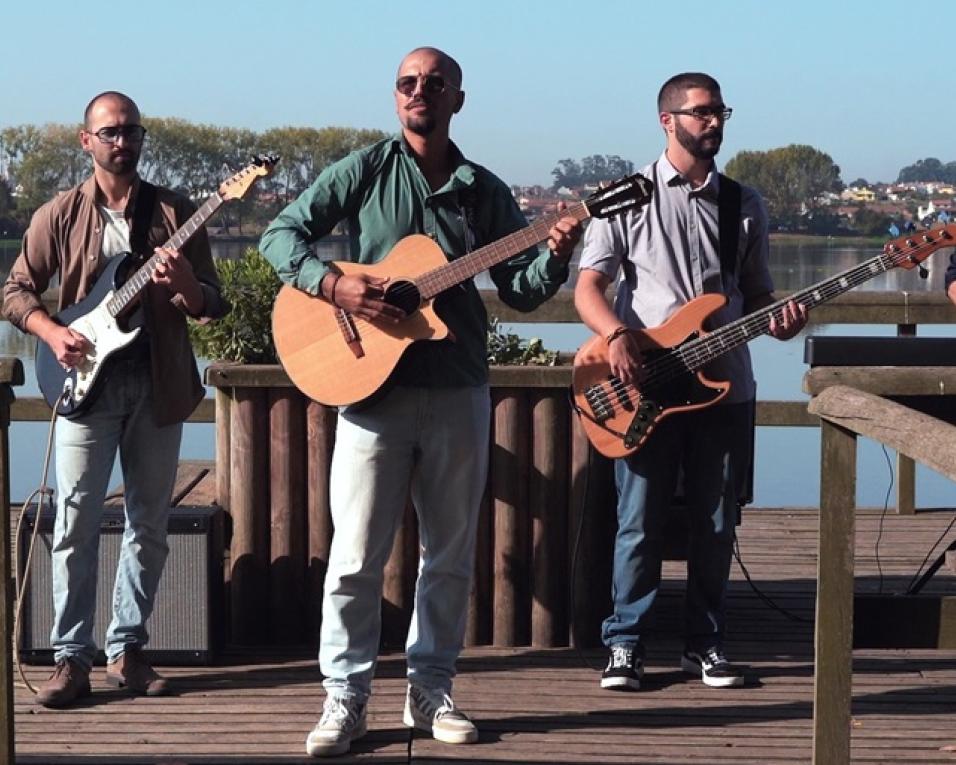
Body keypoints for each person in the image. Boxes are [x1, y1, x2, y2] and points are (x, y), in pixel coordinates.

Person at [260, 47, 581, 757]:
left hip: (459, 386)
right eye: (407, 83)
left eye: (435, 84)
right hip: (371, 389)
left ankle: (430, 690)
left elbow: (524, 290)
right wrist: (334, 285)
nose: (419, 93)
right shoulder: (365, 170)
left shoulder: (483, 190)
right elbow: (279, 234)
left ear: (457, 100)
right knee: (353, 557)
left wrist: (557, 250)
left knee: (449, 553)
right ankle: (344, 698)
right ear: (395, 96)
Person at [574, 72, 807, 692]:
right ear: (667, 120)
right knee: (639, 519)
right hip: (643, 383)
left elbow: (755, 296)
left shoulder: (744, 203)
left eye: (720, 112)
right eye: (701, 112)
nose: (714, 123)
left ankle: (705, 644)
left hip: (725, 385)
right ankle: (625, 644)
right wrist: (617, 336)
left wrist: (782, 321)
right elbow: (589, 288)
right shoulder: (624, 195)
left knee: (714, 521)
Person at [3, 91, 228, 707]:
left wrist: (185, 287)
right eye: (108, 132)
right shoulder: (58, 215)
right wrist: (52, 332)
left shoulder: (176, 212)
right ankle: (70, 659)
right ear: (87, 141)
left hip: (157, 385)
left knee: (148, 525)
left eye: (131, 131)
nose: (121, 141)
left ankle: (127, 651)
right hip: (81, 387)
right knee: (74, 523)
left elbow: (212, 302)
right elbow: (16, 289)